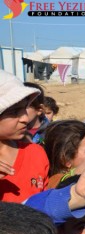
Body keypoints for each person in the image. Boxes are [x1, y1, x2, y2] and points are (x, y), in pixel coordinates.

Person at [0, 69, 49, 202]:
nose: (25, 119)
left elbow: (45, 206)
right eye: (14, 112)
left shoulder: (35, 154)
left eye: (25, 109)